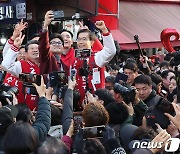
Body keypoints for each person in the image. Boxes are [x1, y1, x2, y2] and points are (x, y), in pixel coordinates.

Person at [73, 21, 116, 105]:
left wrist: (104, 30)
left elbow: (110, 51)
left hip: (97, 105)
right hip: (78, 106)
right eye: (79, 39)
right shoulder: (74, 58)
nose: (81, 42)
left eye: (84, 39)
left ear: (92, 42)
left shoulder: (96, 57)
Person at [1, 27, 40, 110]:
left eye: (37, 48)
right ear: (26, 54)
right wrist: (14, 45)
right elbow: (6, 65)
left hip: (43, 108)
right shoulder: (22, 65)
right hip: (25, 111)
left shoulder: (47, 64)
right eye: (32, 48)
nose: (35, 50)